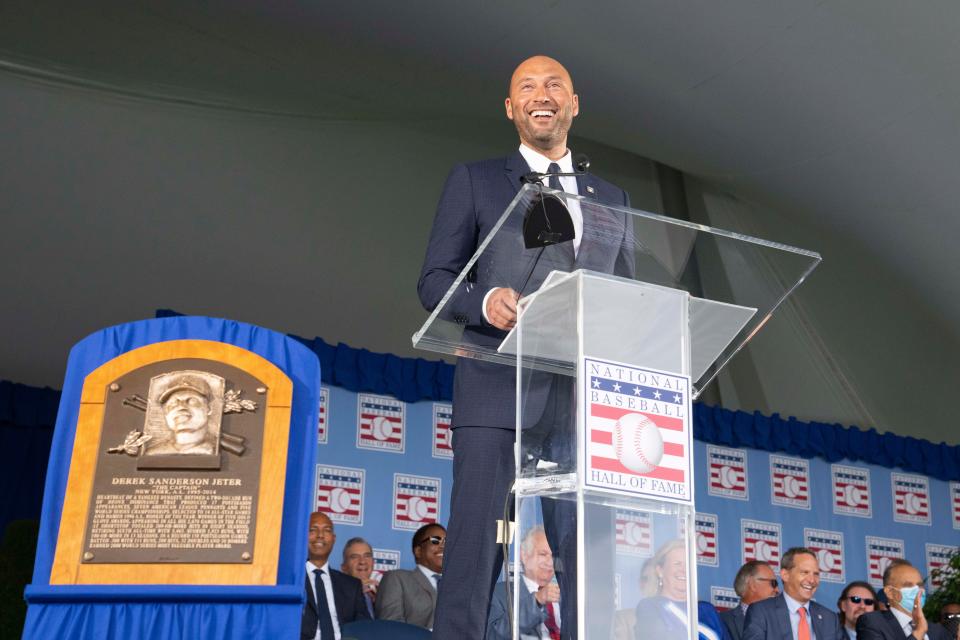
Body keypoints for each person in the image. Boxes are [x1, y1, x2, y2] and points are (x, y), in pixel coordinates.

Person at [417, 54, 634, 640]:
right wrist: (485, 301)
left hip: (581, 399)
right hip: (495, 384)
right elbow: (435, 280)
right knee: (476, 548)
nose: (544, 94)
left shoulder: (611, 195)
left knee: (584, 550)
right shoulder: (477, 179)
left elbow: (628, 296)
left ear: (574, 102)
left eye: (555, 84)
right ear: (511, 108)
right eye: (528, 87)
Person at [631, 539, 731, 640]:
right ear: (660, 570)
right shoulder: (650, 607)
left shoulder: (708, 610)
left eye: (688, 564)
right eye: (677, 563)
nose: (684, 570)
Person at [742, 547, 844, 640]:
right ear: (785, 575)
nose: (812, 580)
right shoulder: (761, 612)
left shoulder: (830, 619)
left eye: (816, 574)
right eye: (805, 572)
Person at [301, 512, 370, 640]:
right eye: (313, 530)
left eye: (326, 530)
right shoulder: (290, 579)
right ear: (302, 535)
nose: (320, 535)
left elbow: (364, 629)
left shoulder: (352, 585)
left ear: (334, 539)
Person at [486, 526, 561, 639]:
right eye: (543, 554)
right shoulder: (499, 595)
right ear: (524, 555)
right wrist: (536, 601)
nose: (550, 562)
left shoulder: (567, 599)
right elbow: (494, 636)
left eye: (553, 556)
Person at [855, 560, 952, 640]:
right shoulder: (873, 622)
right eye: (908, 585)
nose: (917, 590)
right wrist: (918, 634)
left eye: (920, 585)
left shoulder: (937, 631)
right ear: (890, 592)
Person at [376, 523, 445, 629]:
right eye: (435, 540)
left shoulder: (460, 587)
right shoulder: (397, 578)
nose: (442, 546)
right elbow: (391, 627)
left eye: (447, 542)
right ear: (418, 551)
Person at [147, 373, 219, 455]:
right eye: (173, 403)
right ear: (166, 413)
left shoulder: (215, 449)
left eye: (192, 401)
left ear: (208, 409)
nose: (181, 407)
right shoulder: (153, 453)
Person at [722, 560, 781, 640]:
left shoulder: (785, 622)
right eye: (773, 583)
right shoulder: (722, 621)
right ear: (752, 585)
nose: (777, 590)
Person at [341, 537, 378, 619]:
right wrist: (355, 592)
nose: (362, 561)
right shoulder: (336, 593)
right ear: (344, 567)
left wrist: (380, 602)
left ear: (373, 563)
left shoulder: (379, 595)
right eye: (354, 557)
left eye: (367, 556)